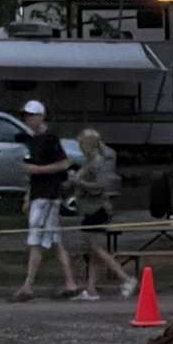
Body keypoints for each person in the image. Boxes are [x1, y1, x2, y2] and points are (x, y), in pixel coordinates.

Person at [11, 100, 79, 302]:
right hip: (38, 195)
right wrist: (27, 196)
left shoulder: (50, 139)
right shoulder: (33, 140)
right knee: (56, 242)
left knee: (36, 241)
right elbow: (30, 172)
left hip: (48, 196)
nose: (28, 119)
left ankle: (28, 286)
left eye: (31, 116)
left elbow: (65, 163)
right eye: (26, 116)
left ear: (41, 116)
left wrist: (39, 171)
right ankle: (70, 283)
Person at [68, 128, 136, 301]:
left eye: (82, 143)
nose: (80, 147)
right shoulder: (90, 161)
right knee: (92, 250)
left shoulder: (98, 162)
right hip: (90, 208)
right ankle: (91, 289)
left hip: (97, 209)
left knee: (95, 248)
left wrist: (79, 182)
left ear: (88, 145)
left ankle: (126, 278)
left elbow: (100, 186)